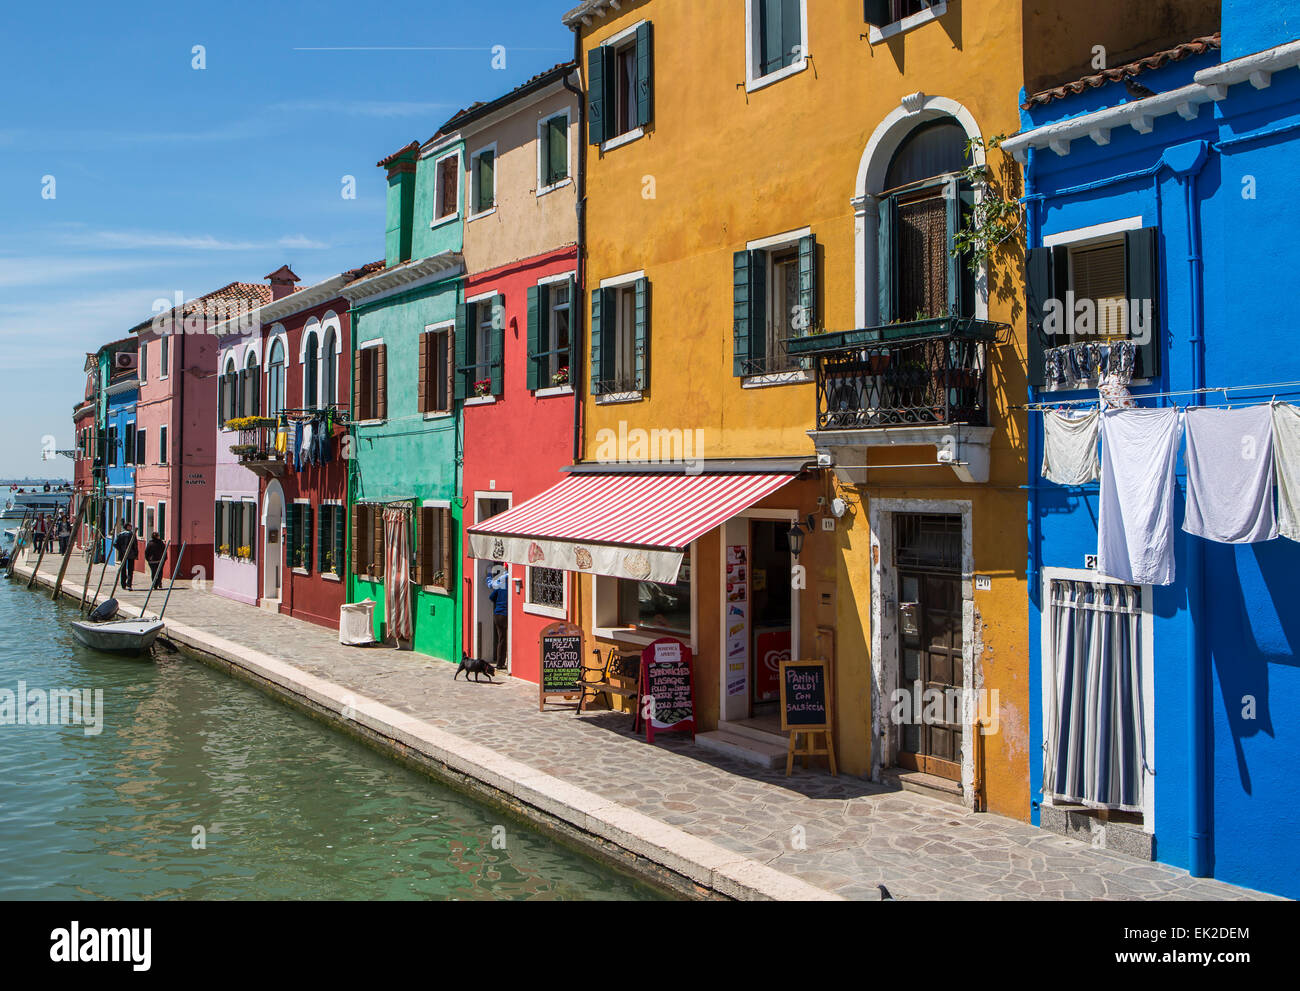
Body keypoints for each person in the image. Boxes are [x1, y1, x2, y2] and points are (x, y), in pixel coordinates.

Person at [486, 564, 509, 670]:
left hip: (498, 613)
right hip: (507, 614)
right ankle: (505, 662)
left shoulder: (502, 580)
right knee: (506, 638)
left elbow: (491, 593)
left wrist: (489, 574)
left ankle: (500, 663)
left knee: (501, 639)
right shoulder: (510, 579)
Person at [114, 523, 137, 591]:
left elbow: (115, 544)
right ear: (127, 527)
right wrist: (135, 553)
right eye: (130, 526)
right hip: (131, 554)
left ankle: (123, 584)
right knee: (130, 569)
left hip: (122, 554)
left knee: (123, 569)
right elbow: (135, 545)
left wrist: (120, 550)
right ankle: (129, 584)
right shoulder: (132, 535)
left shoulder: (120, 534)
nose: (131, 527)